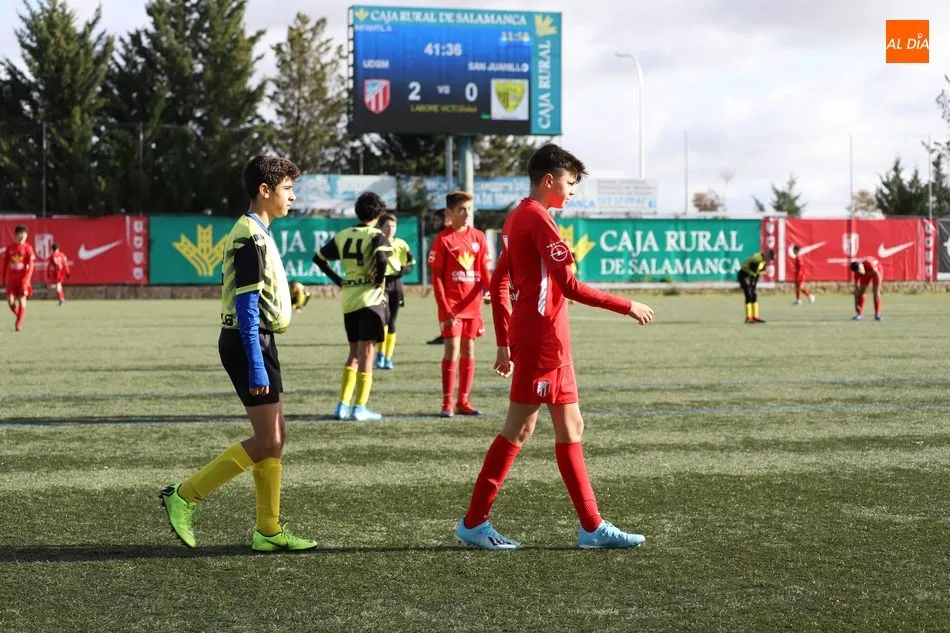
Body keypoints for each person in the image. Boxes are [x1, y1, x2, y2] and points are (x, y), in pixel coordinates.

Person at [454, 143, 655, 550]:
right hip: (544, 341)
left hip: (546, 341)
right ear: (549, 180)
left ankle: (591, 527)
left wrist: (504, 343)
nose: (573, 191)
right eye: (570, 182)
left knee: (570, 426)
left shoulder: (516, 217)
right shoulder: (538, 220)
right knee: (518, 428)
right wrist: (627, 304)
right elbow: (569, 286)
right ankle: (474, 522)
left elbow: (500, 283)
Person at [160, 155, 318, 552]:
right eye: (287, 189)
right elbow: (246, 308)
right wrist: (256, 365)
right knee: (267, 439)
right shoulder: (250, 235)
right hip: (248, 343)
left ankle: (268, 530)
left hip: (260, 340)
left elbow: (256, 298)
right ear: (265, 191)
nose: (293, 197)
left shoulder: (258, 231)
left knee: (276, 438)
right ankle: (185, 495)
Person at [313, 191, 392, 421]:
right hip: (370, 300)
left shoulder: (343, 235)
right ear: (378, 214)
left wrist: (339, 280)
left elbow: (318, 258)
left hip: (349, 300)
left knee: (353, 354)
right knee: (367, 354)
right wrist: (379, 280)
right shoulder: (377, 235)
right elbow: (382, 259)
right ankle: (360, 407)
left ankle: (342, 405)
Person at [427, 191, 491, 417]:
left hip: (473, 306)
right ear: (450, 213)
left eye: (469, 210)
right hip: (451, 306)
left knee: (469, 350)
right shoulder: (442, 240)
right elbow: (436, 278)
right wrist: (444, 307)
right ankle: (447, 403)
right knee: (452, 349)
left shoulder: (479, 237)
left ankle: (464, 401)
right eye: (461, 210)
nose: (466, 214)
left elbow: (483, 270)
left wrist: (490, 290)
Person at [376, 212, 415, 370]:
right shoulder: (377, 242)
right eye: (387, 226)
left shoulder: (401, 244)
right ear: (381, 227)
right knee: (383, 319)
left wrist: (402, 271)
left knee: (392, 321)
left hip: (396, 283)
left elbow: (411, 264)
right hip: (382, 283)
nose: (390, 229)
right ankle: (379, 354)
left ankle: (388, 357)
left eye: (393, 226)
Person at [2, 225, 36, 331]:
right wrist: (3, 279)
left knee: (22, 300)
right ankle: (20, 316)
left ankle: (18, 324)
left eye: (25, 234)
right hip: (11, 280)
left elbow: (31, 266)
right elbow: (4, 264)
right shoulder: (9, 248)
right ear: (16, 235)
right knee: (10, 301)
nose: (23, 236)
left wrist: (27, 279)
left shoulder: (28, 248)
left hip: (23, 281)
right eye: (21, 233)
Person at [426, 208, 450, 346]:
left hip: (450, 281)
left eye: (437, 219)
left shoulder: (447, 236)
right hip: (442, 279)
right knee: (442, 308)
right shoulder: (440, 236)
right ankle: (444, 333)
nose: (435, 222)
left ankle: (447, 334)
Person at [738, 249, 775, 323]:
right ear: (767, 254)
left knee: (754, 295)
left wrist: (754, 283)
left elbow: (758, 273)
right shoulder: (756, 258)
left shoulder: (763, 262)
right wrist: (756, 275)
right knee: (748, 294)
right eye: (770, 258)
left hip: (752, 276)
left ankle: (755, 316)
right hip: (744, 275)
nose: (769, 260)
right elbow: (751, 268)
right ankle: (748, 317)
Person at [850, 256, 883, 321]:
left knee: (876, 292)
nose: (860, 272)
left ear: (861, 265)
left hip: (877, 272)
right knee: (861, 292)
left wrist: (878, 286)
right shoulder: (857, 273)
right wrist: (856, 305)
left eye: (860, 270)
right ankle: (859, 314)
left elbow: (877, 274)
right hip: (868, 274)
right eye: (858, 272)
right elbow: (857, 291)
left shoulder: (869, 264)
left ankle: (877, 314)